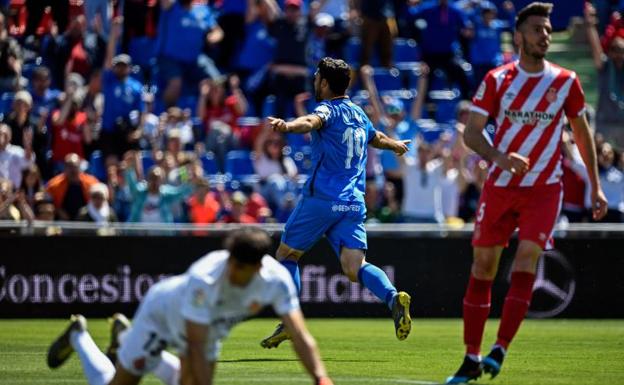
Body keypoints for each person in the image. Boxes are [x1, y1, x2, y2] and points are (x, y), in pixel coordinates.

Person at [445, 3, 608, 383]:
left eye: (548, 29)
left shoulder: (566, 81)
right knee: (483, 267)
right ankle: (471, 356)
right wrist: (499, 157)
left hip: (544, 189)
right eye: (537, 29)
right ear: (519, 36)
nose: (545, 35)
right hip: (500, 187)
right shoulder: (498, 79)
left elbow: (582, 134)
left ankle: (499, 349)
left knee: (526, 262)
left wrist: (596, 188)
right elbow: (471, 134)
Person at [46, 228, 335, 385]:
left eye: (239, 267)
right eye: (230, 261)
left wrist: (321, 378)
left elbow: (299, 335)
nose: (231, 270)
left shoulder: (277, 280)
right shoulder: (205, 279)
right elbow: (194, 349)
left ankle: (125, 339)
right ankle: (79, 336)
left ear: (259, 267)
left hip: (206, 329)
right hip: (160, 317)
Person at [261, 57, 413, 349]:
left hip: (322, 198)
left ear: (326, 83)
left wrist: (287, 125)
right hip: (353, 203)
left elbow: (310, 121)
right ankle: (393, 297)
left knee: (287, 254)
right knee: (355, 267)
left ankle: (291, 322)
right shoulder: (358, 113)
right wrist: (395, 144)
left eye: (317, 77)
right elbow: (375, 136)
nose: (315, 81)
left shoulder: (326, 110)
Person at [585, 3, 624, 148]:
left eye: (621, 50)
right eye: (614, 49)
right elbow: (595, 47)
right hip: (604, 124)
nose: (618, 54)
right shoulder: (605, 66)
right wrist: (590, 25)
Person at [46, 153, 100, 221]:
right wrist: (58, 210)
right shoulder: (54, 185)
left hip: (86, 221)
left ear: (80, 167)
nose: (73, 170)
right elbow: (47, 202)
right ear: (64, 168)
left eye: (75, 166)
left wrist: (85, 213)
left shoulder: (92, 183)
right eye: (69, 166)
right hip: (61, 221)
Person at [0, 123, 34, 189]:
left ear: (10, 136)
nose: (2, 137)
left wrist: (28, 145)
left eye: (5, 135)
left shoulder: (16, 151)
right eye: (0, 134)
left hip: (13, 192)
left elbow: (28, 161)